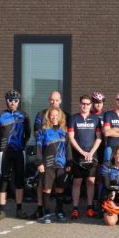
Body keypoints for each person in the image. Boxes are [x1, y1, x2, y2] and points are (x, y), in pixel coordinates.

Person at [0, 90, 31, 220]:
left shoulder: (24, 116)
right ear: (6, 101)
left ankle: (19, 209)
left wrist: (22, 144)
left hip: (19, 151)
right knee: (3, 179)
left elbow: (28, 133)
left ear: (18, 102)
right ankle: (2, 211)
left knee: (19, 179)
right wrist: (2, 145)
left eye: (15, 100)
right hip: (5, 152)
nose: (13, 103)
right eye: (10, 100)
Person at [32, 91, 70, 219]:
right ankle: (45, 212)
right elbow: (38, 144)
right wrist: (39, 161)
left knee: (60, 188)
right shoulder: (43, 128)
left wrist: (69, 161)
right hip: (47, 163)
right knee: (46, 188)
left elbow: (68, 147)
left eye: (56, 115)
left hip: (61, 163)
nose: (54, 117)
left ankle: (59, 211)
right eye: (52, 115)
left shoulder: (64, 130)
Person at [68, 94, 102, 219]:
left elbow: (99, 138)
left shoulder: (96, 119)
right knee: (77, 182)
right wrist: (82, 152)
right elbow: (71, 138)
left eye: (87, 104)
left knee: (90, 182)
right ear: (79, 104)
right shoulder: (73, 118)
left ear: (91, 105)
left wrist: (91, 152)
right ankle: (75, 208)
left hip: (92, 155)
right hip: (78, 155)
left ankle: (89, 207)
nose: (85, 106)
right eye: (83, 103)